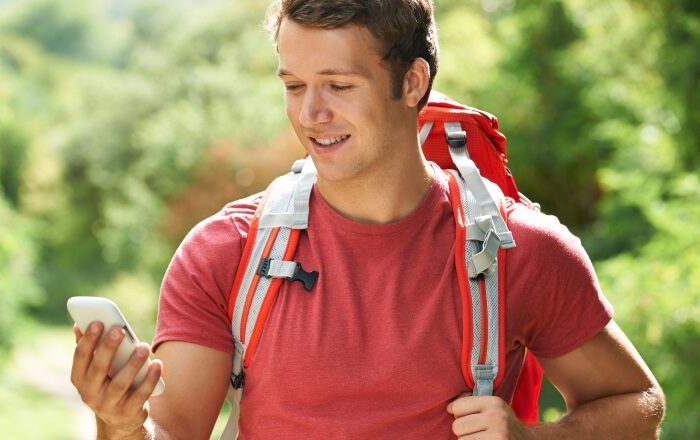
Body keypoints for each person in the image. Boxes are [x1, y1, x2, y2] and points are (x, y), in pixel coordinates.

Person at [70, 1, 666, 438]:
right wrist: (119, 424)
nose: (311, 113)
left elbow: (640, 403)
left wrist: (533, 438)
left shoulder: (517, 251)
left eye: (338, 85)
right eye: (295, 84)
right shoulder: (225, 251)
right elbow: (170, 433)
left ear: (412, 82)